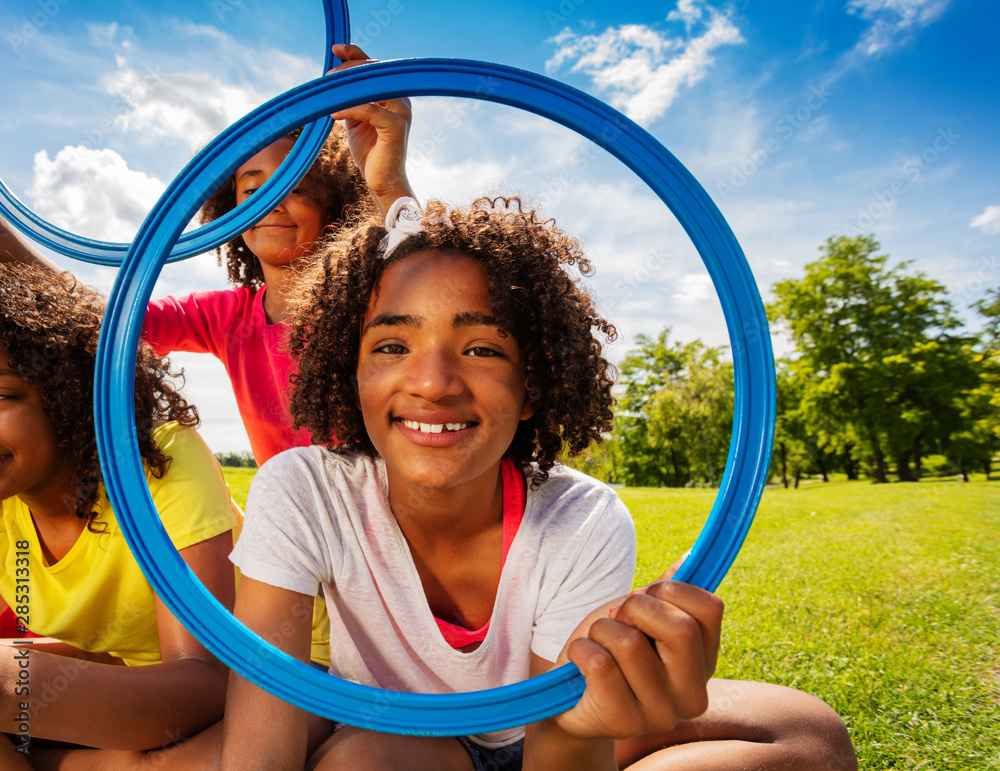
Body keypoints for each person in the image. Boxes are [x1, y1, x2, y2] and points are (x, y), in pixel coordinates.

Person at [221, 195, 856, 770]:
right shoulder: (302, 491)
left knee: (808, 736)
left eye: (483, 349)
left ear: (532, 388)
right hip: (400, 739)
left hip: (539, 738)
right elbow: (257, 752)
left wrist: (584, 733)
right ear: (349, 371)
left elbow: (561, 739)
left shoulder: (581, 518)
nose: (434, 382)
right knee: (361, 766)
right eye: (391, 346)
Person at [0, 43, 415, 468]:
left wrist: (389, 184)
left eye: (294, 184)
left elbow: (430, 290)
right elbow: (100, 323)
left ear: (333, 203)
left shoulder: (373, 298)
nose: (271, 202)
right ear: (230, 211)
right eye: (253, 190)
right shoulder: (226, 319)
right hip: (295, 524)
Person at [0, 264, 240, 769]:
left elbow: (207, 681)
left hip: (282, 681)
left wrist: (14, 686)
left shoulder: (155, 460)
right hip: (144, 695)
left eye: (3, 396)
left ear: (70, 394)